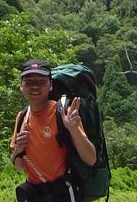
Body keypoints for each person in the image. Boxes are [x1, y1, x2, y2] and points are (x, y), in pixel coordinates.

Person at [10, 59, 97, 202]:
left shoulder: (64, 114)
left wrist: (74, 130)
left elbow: (91, 159)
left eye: (41, 81)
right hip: (34, 194)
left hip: (62, 193)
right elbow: (19, 167)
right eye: (29, 82)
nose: (35, 87)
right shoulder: (22, 117)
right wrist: (18, 150)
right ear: (21, 86)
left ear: (50, 85)